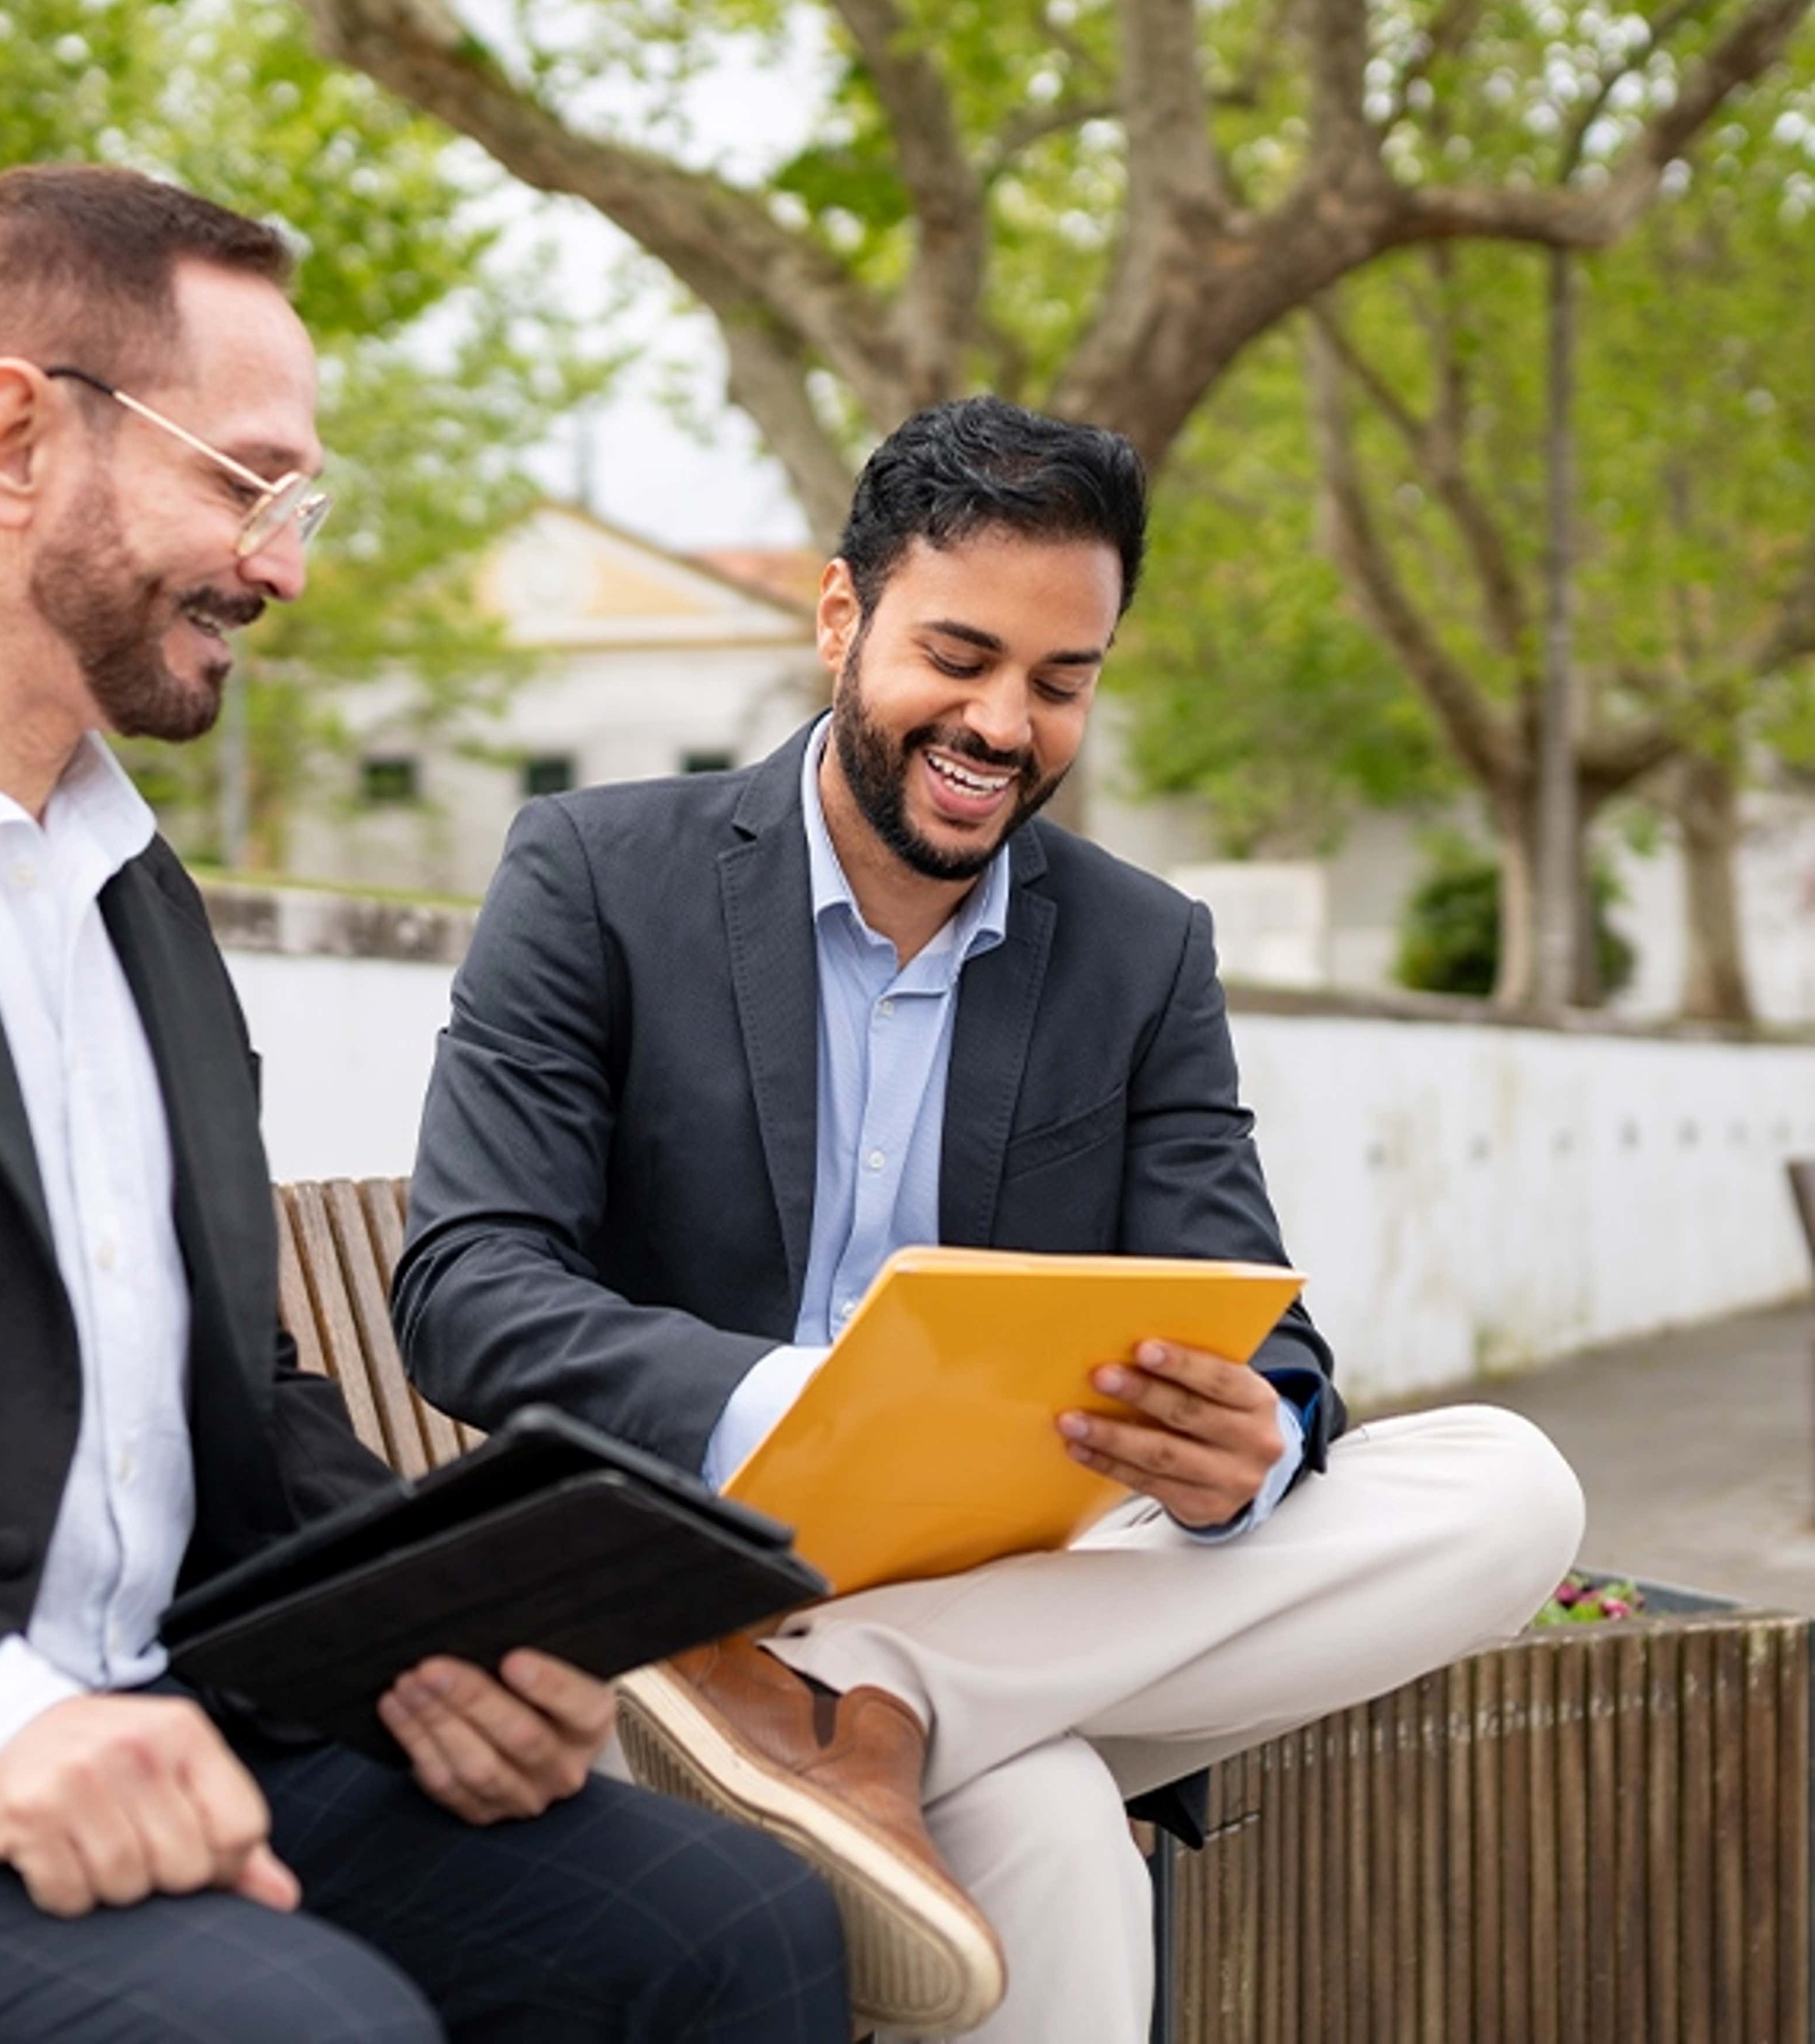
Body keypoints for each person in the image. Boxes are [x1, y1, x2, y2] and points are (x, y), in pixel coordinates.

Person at [0, 164, 848, 2044]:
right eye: (246, 483)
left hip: (184, 1721)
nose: (283, 564)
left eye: (297, 501)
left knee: (733, 1929)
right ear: (16, 438)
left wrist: (437, 1638)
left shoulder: (138, 892)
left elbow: (233, 1384)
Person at [392, 397, 1586, 2042]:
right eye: (958, 658)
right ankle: (844, 1697)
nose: (1004, 724)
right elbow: (468, 1285)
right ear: (841, 617)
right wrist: (793, 1403)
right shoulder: (597, 874)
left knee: (1511, 1488)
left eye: (1061, 681)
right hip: (668, 1604)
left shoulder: (1143, 949)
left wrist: (1252, 1441)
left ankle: (862, 1695)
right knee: (1051, 1818)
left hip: (1000, 1591)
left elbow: (1259, 1317)